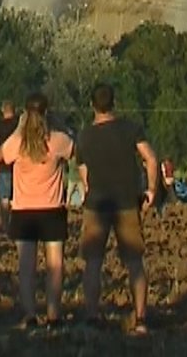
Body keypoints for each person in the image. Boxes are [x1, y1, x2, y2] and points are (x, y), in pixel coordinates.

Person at [76, 83, 158, 336]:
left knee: (93, 262)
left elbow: (84, 175)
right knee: (134, 261)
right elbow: (151, 158)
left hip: (97, 204)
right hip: (126, 202)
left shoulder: (84, 136)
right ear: (114, 102)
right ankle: (141, 318)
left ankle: (92, 317)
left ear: (92, 105)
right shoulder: (130, 129)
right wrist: (151, 190)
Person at [0, 92, 75, 328]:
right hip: (52, 209)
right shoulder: (56, 140)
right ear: (46, 112)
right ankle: (54, 315)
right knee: (55, 266)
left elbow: (1, 154)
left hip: (24, 211)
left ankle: (30, 315)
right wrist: (58, 122)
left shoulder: (19, 143)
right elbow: (74, 147)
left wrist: (18, 128)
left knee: (26, 269)